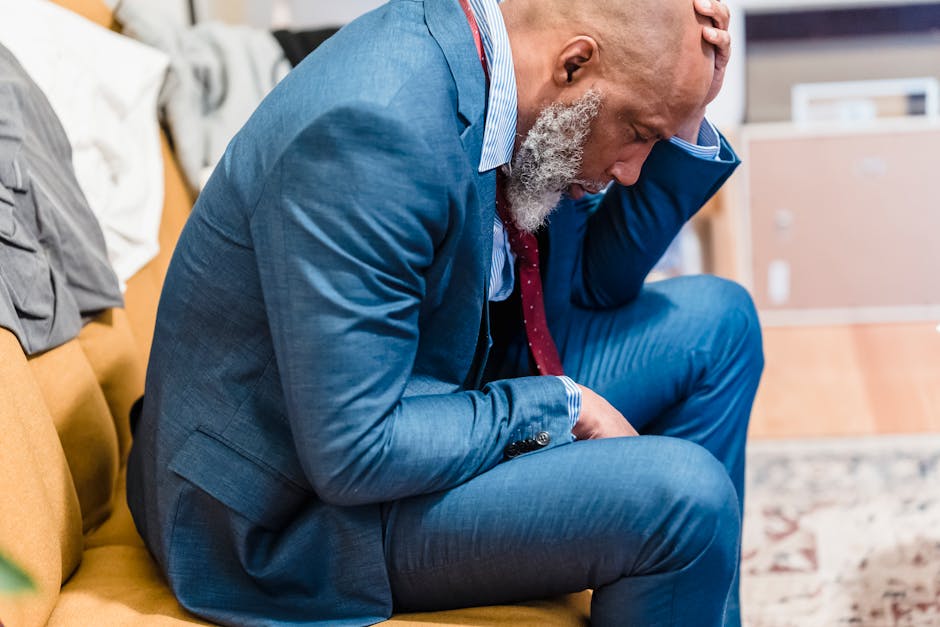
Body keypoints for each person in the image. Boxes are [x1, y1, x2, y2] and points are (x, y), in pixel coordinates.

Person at [126, 0, 763, 625]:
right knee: (684, 499)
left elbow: (600, 283)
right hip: (291, 514)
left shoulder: (523, 85)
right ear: (575, 64)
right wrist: (559, 405)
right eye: (637, 134)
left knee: (719, 325)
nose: (631, 171)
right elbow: (357, 451)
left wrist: (685, 108)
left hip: (432, 390)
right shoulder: (373, 128)